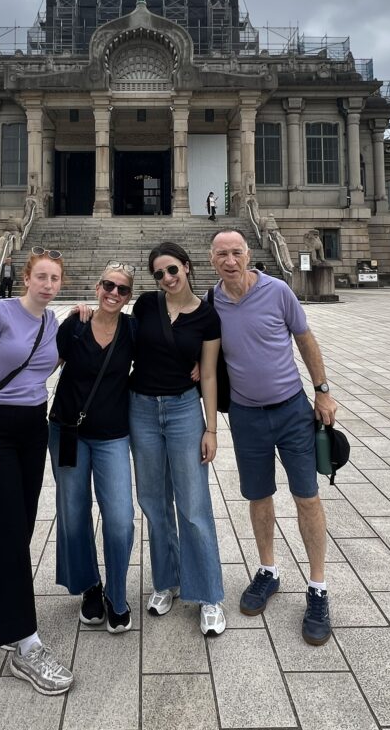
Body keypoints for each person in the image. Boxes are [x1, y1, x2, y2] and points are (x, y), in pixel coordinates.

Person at [208, 229, 339, 646]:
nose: (230, 260)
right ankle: (268, 570)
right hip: (246, 417)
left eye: (236, 252)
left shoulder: (278, 291)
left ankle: (317, 587)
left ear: (248, 255)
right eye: (222, 254)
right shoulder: (212, 303)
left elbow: (305, 340)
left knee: (307, 496)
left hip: (291, 411)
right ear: (212, 261)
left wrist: (322, 391)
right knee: (258, 496)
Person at [0, 246, 73, 696]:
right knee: (6, 530)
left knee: (19, 525)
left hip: (33, 428)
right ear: (26, 278)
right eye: (41, 277)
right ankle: (24, 642)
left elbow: (58, 363)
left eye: (55, 279)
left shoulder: (52, 324)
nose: (48, 285)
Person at [129, 241, 225, 637]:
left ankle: (208, 594)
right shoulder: (146, 306)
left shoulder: (208, 317)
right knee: (153, 501)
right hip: (142, 410)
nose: (167, 278)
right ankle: (166, 582)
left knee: (193, 502)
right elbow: (124, 347)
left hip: (185, 411)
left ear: (187, 267)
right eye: (159, 274)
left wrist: (211, 428)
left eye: (172, 270)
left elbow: (208, 373)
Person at [49, 262, 137, 633]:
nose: (113, 293)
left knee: (119, 518)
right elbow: (42, 364)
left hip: (112, 435)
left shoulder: (133, 330)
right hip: (67, 430)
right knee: (73, 511)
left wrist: (199, 365)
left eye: (122, 289)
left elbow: (164, 356)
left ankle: (117, 593)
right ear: (96, 286)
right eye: (107, 285)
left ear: (130, 296)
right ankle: (89, 586)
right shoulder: (76, 325)